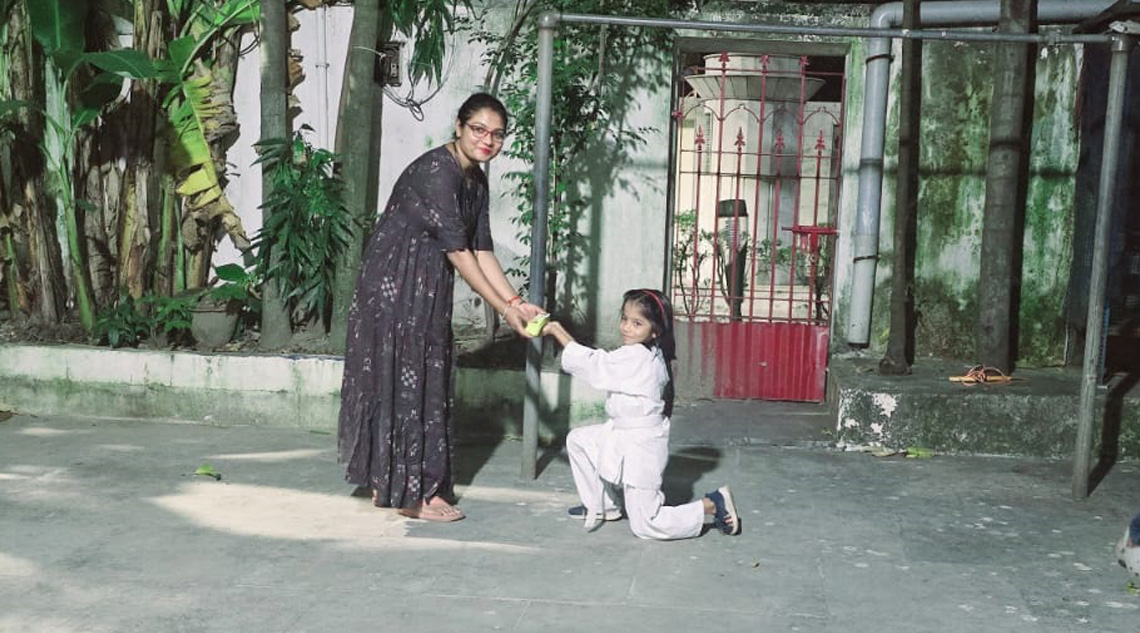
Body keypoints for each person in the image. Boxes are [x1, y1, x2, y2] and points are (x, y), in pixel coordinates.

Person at [338, 93, 544, 522]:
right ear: (459, 126)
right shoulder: (438, 172)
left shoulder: (475, 179)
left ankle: (393, 484)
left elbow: (481, 247)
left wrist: (516, 303)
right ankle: (413, 495)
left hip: (425, 282)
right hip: (394, 285)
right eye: (479, 130)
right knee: (409, 380)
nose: (488, 141)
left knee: (422, 377)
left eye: (497, 134)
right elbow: (459, 251)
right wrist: (505, 313)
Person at [539, 288, 740, 539]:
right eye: (624, 319)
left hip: (641, 447)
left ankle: (712, 504)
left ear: (654, 330)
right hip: (623, 436)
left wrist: (557, 331)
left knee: (647, 524)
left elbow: (594, 364)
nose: (626, 328)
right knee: (579, 440)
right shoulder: (651, 352)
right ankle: (605, 506)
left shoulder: (637, 357)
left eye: (637, 323)